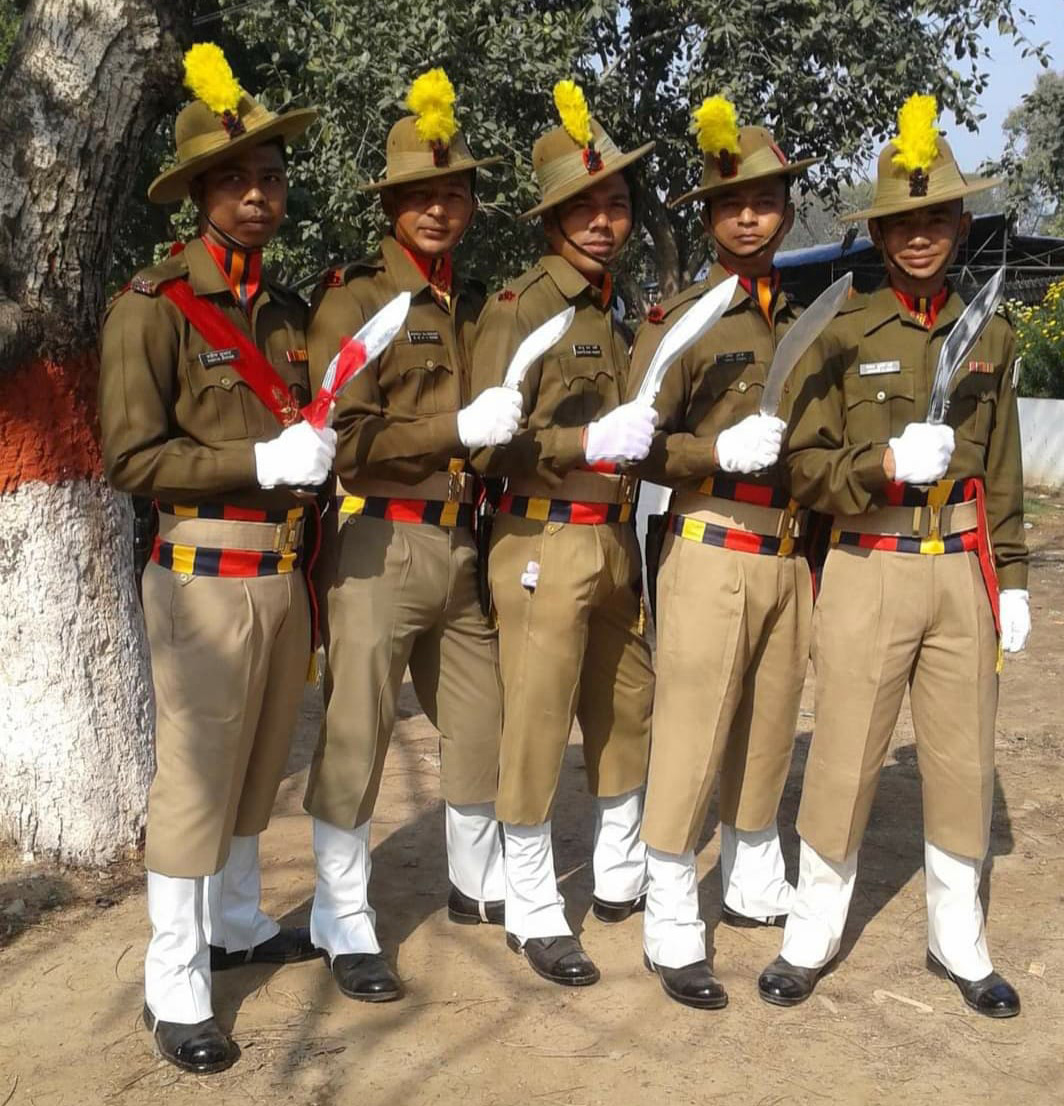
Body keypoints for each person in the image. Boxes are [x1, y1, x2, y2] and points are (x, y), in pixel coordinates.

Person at [757, 95, 1030, 1018]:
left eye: (936, 218)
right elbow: (802, 467)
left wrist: (1016, 578)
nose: (920, 237)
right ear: (880, 232)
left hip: (960, 566)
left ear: (959, 223)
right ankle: (811, 933)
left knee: (961, 761)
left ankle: (961, 942)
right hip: (868, 563)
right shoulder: (843, 328)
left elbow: (1005, 472)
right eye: (902, 222)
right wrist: (879, 465)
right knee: (843, 755)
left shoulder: (990, 332)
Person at [99, 44, 330, 1073]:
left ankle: (235, 921)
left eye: (270, 177)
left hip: (281, 574)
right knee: (194, 777)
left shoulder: (284, 316)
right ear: (198, 193)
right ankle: (177, 974)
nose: (255, 195)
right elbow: (130, 455)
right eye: (234, 180)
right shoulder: (151, 306)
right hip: (201, 574)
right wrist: (258, 457)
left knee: (256, 761)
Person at [303, 70, 519, 1003]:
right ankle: (342, 917)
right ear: (391, 207)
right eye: (419, 197)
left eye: (453, 194)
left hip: (460, 544)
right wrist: (452, 433)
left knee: (481, 722)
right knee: (356, 731)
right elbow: (347, 443)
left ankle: (475, 883)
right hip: (379, 544)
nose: (438, 210)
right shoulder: (354, 305)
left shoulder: (473, 308)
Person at [629, 98, 820, 1009]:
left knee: (770, 722)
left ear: (785, 207)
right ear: (709, 215)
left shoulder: (811, 319)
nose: (750, 215)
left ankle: (749, 876)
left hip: (789, 554)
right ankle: (670, 903)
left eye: (767, 199)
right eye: (732, 202)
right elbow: (635, 442)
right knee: (696, 727)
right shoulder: (681, 316)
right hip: (709, 538)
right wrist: (712, 454)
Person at [469, 80, 657, 987]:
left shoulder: (612, 306)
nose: (601, 222)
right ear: (551, 219)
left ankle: (618, 873)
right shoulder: (519, 307)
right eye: (583, 208)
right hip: (541, 539)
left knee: (627, 709)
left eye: (615, 204)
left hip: (613, 542)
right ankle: (535, 903)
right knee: (538, 723)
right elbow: (487, 447)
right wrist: (583, 440)